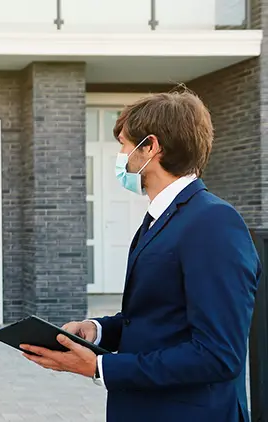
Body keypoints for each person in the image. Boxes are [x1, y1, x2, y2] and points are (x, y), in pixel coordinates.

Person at [20, 90, 261, 422]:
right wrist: (97, 330)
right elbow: (159, 317)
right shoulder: (159, 219)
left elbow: (219, 354)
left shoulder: (213, 222)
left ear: (150, 147)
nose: (120, 155)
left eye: (124, 144)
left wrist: (100, 367)